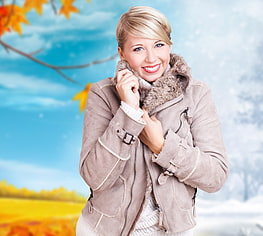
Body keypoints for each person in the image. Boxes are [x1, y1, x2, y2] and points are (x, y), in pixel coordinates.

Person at [76, 6, 228, 236]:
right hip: (103, 230)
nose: (151, 58)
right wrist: (128, 111)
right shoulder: (103, 94)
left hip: (172, 231)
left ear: (169, 45)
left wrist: (162, 147)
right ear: (122, 53)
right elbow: (95, 178)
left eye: (159, 45)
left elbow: (215, 176)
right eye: (138, 48)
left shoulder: (196, 94)